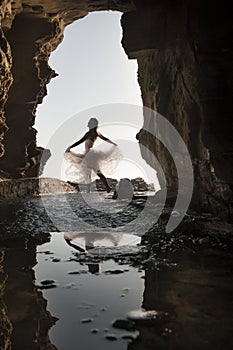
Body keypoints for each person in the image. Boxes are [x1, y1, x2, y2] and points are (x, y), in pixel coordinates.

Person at [64, 117, 121, 192]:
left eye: (89, 123)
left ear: (92, 125)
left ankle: (90, 190)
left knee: (89, 173)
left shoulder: (89, 134)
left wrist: (70, 147)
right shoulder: (96, 133)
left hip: (88, 156)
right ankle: (107, 187)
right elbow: (105, 138)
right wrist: (113, 143)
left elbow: (79, 141)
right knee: (96, 172)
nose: (88, 124)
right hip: (91, 155)